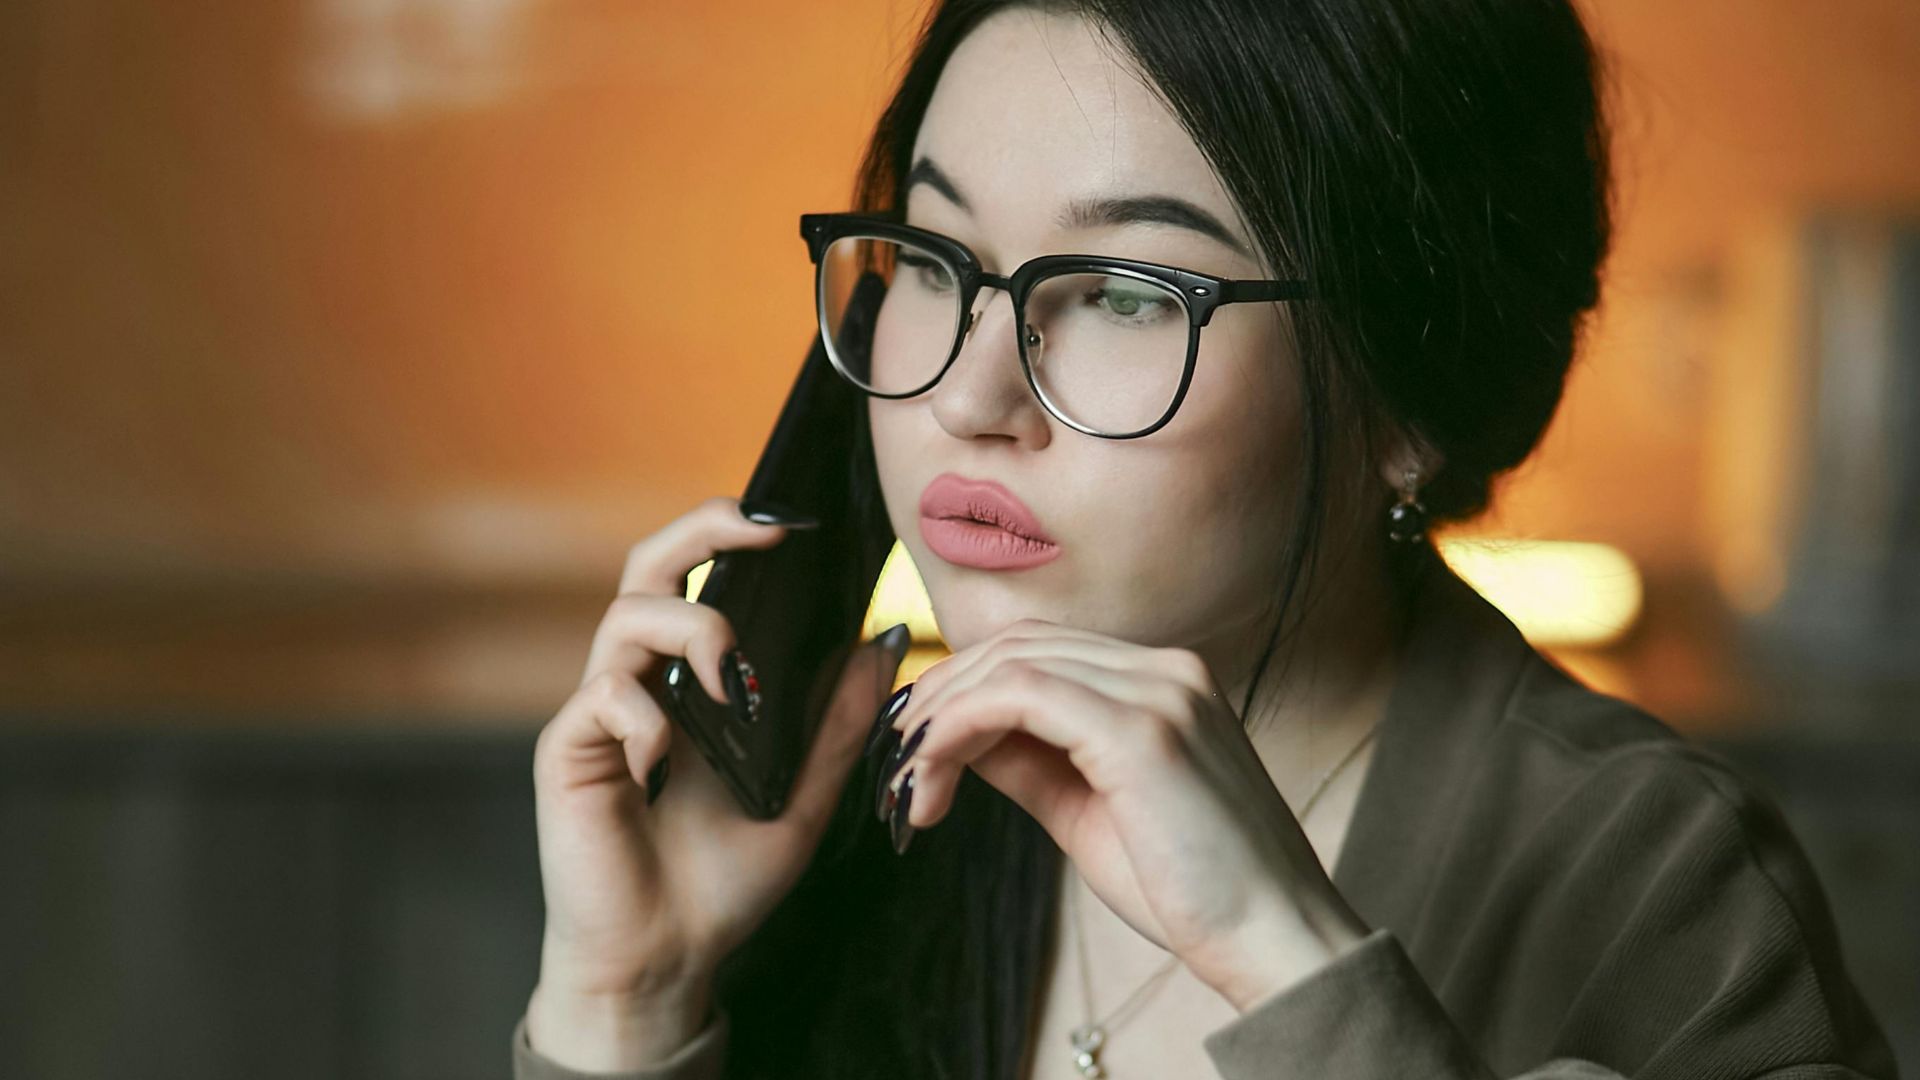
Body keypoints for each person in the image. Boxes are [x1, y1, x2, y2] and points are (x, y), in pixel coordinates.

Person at [512, 2, 1900, 1077]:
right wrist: (627, 1004)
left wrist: (1293, 964)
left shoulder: (1658, 888)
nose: (968, 397)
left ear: (1405, 400)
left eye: (1124, 291)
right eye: (935, 261)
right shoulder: (871, 816)